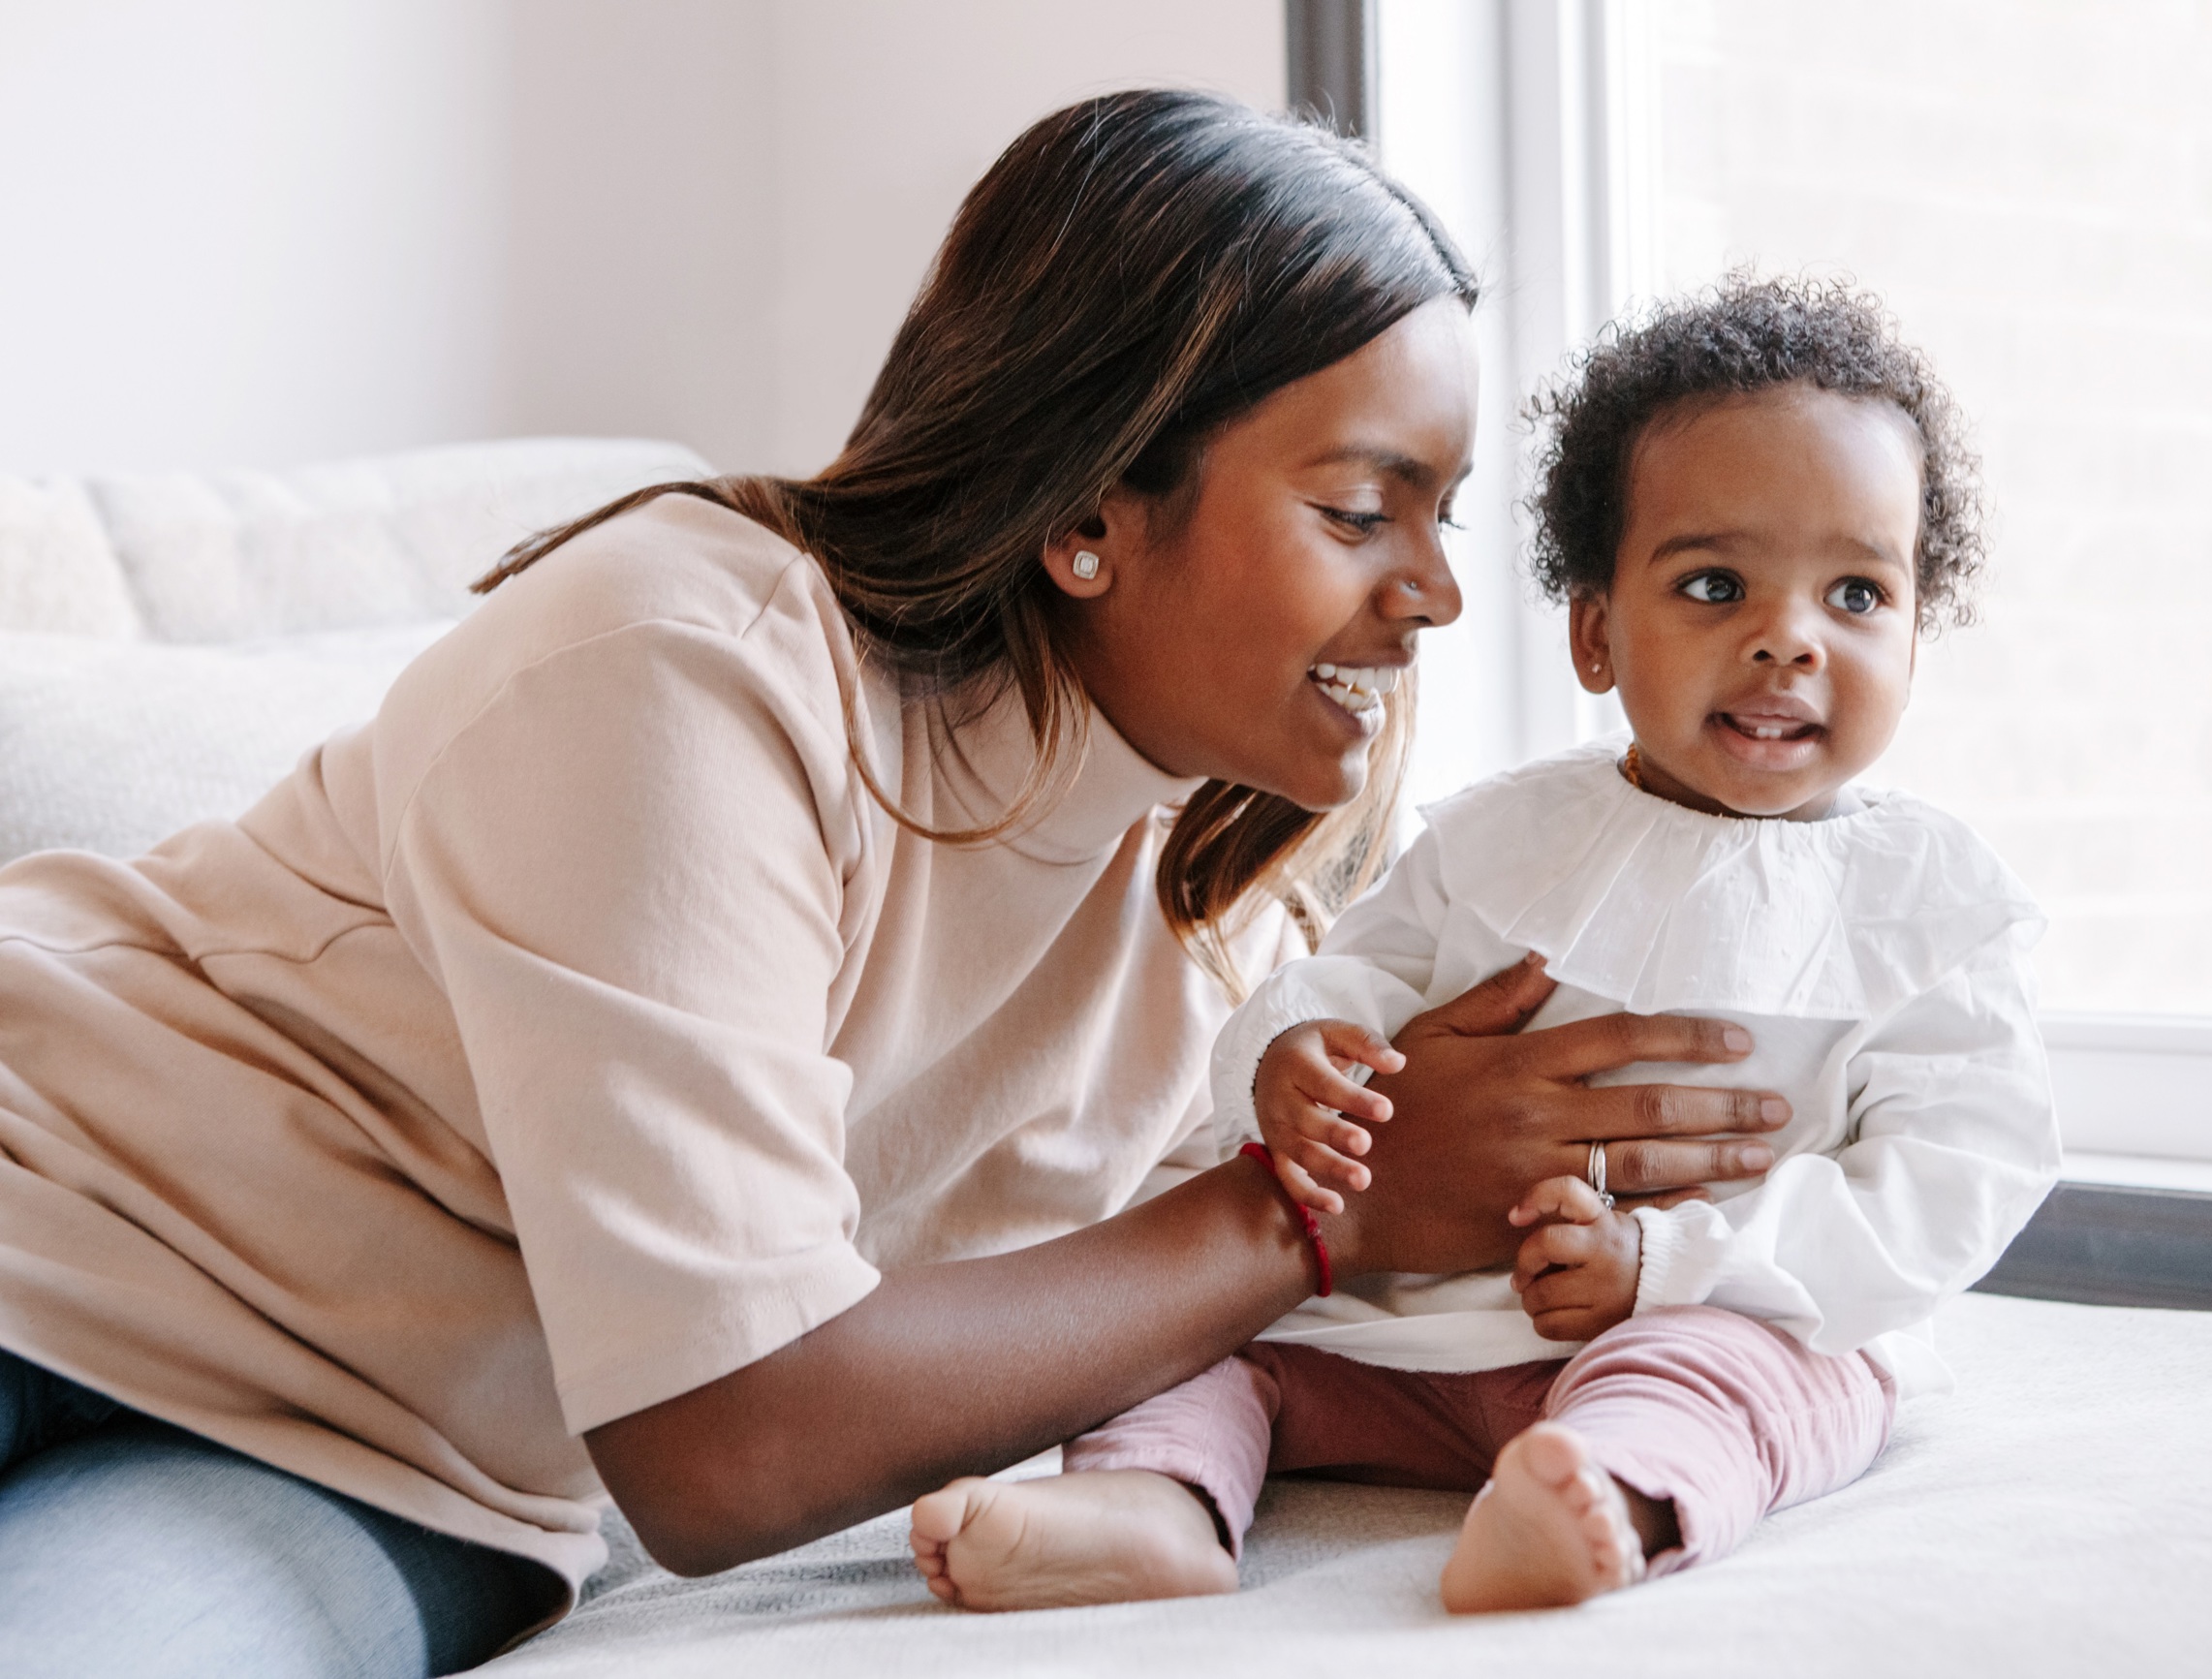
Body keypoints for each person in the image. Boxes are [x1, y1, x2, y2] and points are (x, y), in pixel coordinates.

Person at [0, 93, 1791, 1676]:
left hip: (408, 1476)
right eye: (1355, 510)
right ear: (1090, 507)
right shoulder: (689, 665)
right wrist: (1312, 1210)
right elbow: (731, 1436)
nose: (1436, 595)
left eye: (1443, 514)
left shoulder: (1233, 918)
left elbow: (1252, 1324)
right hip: (48, 1222)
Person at [906, 275, 2062, 1614]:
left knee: (1755, 1382)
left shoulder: (1927, 902)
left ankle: (1597, 1497)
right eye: (1714, 581)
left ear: (1919, 636)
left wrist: (1670, 1265)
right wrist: (1300, 1052)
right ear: (1593, 630)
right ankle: (1155, 1498)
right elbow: (1362, 974)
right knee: (1204, 1340)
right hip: (1403, 1323)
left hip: (1696, 1316)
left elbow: (1948, 1180)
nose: (1788, 639)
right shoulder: (1504, 837)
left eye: (1858, 593)